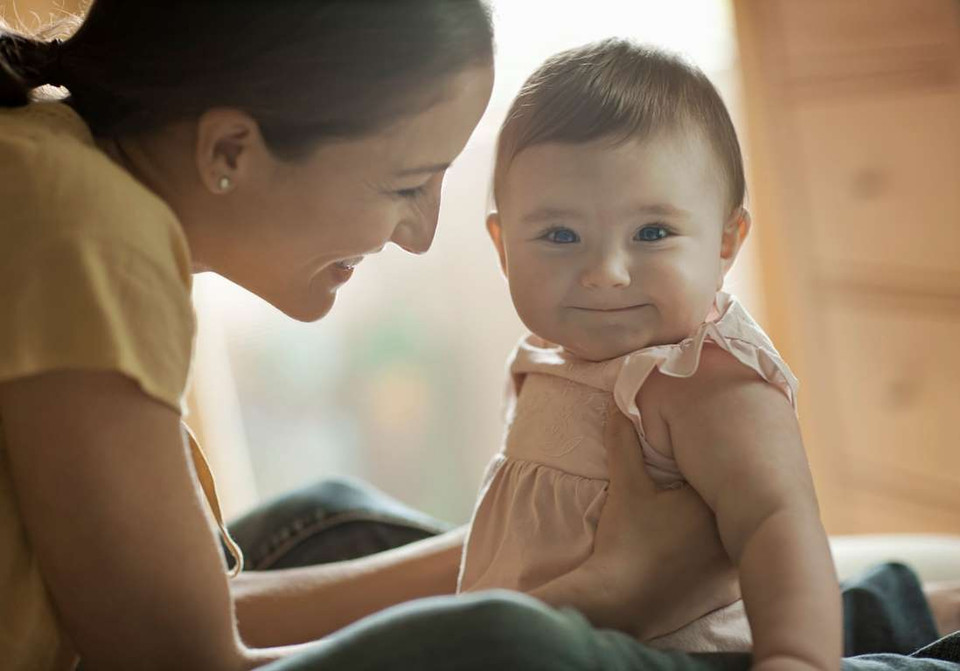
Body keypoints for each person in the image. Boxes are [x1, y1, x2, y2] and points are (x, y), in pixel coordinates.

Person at [0, 2, 955, 670]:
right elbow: (176, 659)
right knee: (505, 644)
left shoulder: (53, 160)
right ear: (230, 150)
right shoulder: (86, 230)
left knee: (332, 517)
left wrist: (527, 556)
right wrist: (610, 590)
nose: (420, 233)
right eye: (407, 180)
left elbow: (184, 607)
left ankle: (879, 611)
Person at [459, 39, 840, 664]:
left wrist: (795, 657)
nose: (606, 271)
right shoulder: (550, 357)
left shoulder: (700, 378)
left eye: (652, 233)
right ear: (503, 246)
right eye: (560, 234)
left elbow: (779, 525)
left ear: (724, 242)